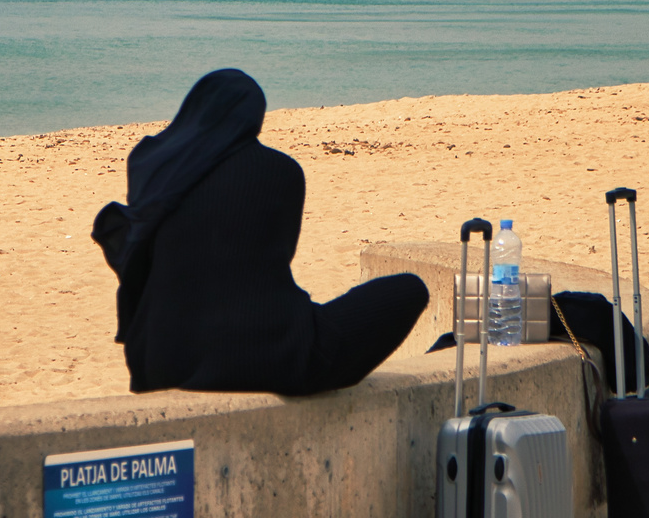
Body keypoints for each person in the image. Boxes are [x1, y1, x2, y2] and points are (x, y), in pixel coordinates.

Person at [92, 69, 428, 395]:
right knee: (410, 290)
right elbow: (281, 253)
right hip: (268, 356)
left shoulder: (152, 168)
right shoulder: (280, 171)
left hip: (160, 362)